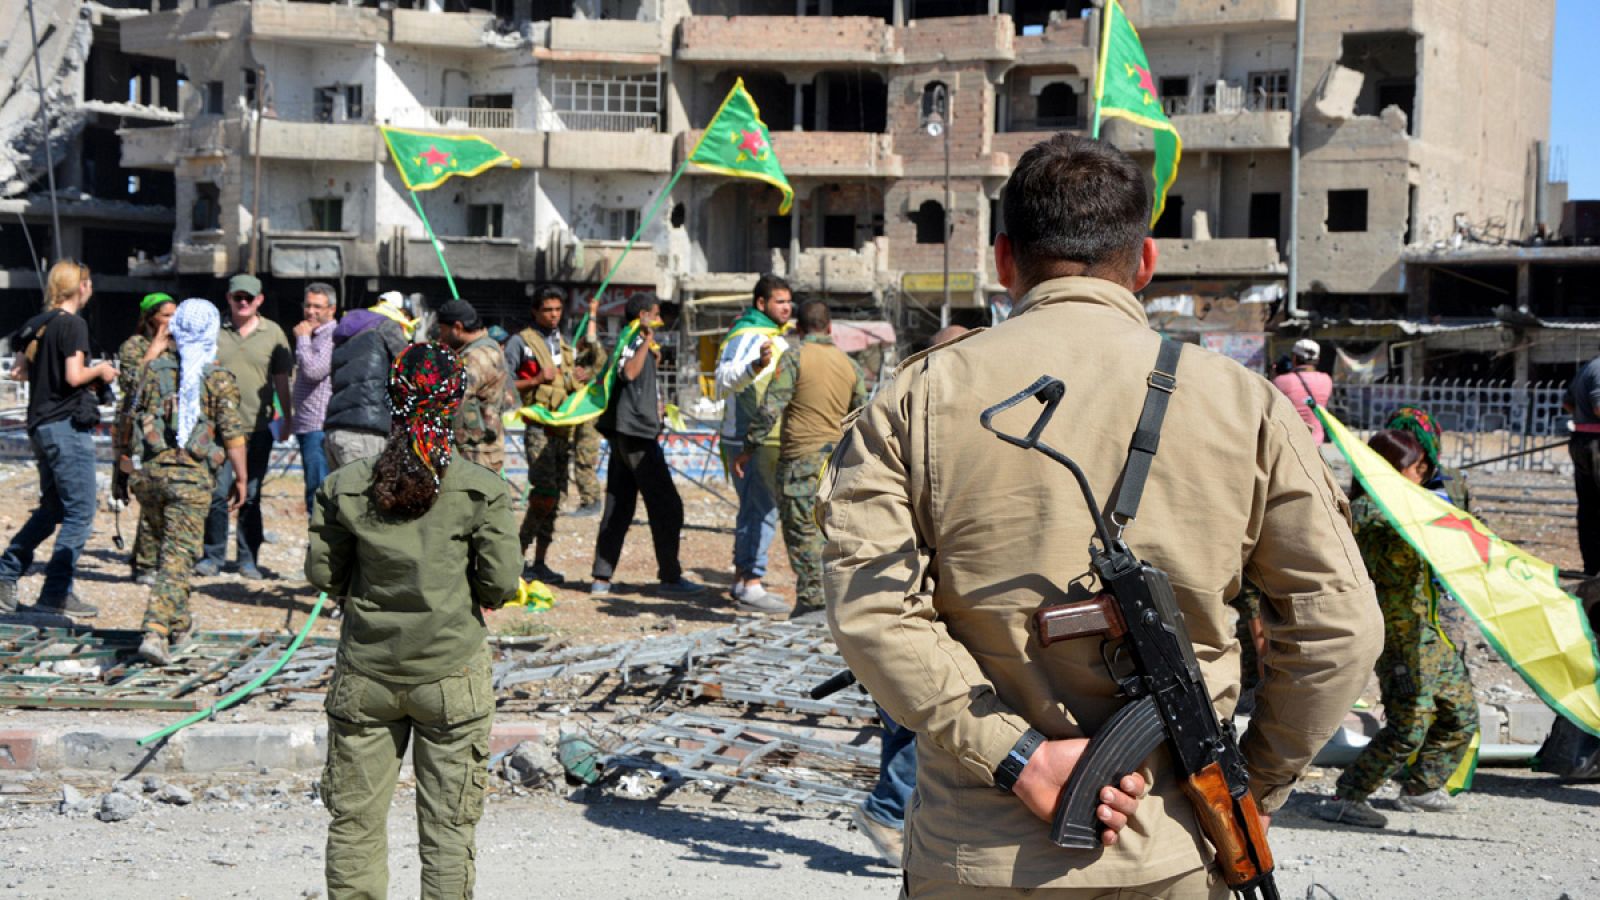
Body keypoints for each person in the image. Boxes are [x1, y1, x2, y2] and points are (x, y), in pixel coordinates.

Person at [822, 134, 1383, 897]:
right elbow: (1340, 629)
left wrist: (1016, 755)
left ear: (1002, 259)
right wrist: (1251, 784)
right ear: (1146, 261)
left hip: (978, 860)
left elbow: (872, 610)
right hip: (1177, 851)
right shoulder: (1244, 403)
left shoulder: (916, 399)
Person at [307, 343, 519, 899]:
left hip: (366, 677)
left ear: (392, 400)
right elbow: (500, 583)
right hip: (451, 675)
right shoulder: (480, 488)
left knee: (354, 825)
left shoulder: (344, 486)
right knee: (449, 830)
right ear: (454, 404)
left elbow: (326, 574)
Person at [1318, 430, 1479, 828]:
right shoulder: (1369, 512)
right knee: (1408, 728)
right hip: (1398, 642)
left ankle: (1421, 786)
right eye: (1414, 470)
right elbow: (1366, 523)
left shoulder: (1412, 505)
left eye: (1424, 471)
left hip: (1428, 634)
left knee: (1462, 715)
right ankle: (1347, 796)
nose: (1422, 478)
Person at [129, 299, 248, 665]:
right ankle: (156, 630)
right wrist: (241, 478)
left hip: (151, 476)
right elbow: (232, 434)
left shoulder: (152, 369)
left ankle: (180, 623)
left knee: (171, 553)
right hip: (190, 480)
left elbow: (129, 417)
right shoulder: (217, 377)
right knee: (178, 561)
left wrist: (123, 473)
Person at [0, 260, 118, 617]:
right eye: (90, 282)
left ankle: (5, 572)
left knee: (53, 509)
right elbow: (73, 375)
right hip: (66, 428)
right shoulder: (73, 325)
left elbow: (19, 372)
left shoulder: (36, 324)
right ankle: (55, 592)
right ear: (80, 286)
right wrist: (101, 371)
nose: (92, 288)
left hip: (39, 426)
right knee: (80, 512)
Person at [741, 299, 865, 615]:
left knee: (802, 536)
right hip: (838, 465)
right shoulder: (850, 365)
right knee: (833, 534)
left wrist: (748, 448)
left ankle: (812, 605)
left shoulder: (794, 358)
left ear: (799, 329)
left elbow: (772, 407)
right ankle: (838, 603)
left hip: (800, 461)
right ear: (830, 328)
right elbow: (861, 416)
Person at [590, 293, 704, 598]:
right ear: (643, 316)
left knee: (619, 504)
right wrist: (643, 343)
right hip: (636, 436)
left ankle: (602, 576)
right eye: (655, 314)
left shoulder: (637, 341)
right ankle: (670, 576)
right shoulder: (634, 338)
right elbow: (628, 373)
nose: (660, 320)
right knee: (668, 506)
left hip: (628, 432)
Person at [504, 288, 606, 582]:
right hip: (540, 429)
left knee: (556, 498)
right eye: (548, 310)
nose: (553, 315)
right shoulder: (521, 343)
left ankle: (539, 562)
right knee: (544, 495)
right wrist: (535, 380)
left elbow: (568, 382)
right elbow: (504, 382)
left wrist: (577, 380)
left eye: (558, 310)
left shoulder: (562, 344)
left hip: (564, 431)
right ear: (535, 311)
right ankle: (516, 557)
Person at [197, 274, 293, 580]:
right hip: (218, 429)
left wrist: (287, 417)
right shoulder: (214, 331)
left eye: (248, 298)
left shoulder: (273, 333)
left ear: (259, 300)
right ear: (228, 298)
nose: (242, 302)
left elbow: (281, 381)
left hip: (257, 428)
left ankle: (248, 558)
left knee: (250, 495)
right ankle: (212, 555)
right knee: (217, 492)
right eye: (237, 297)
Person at [713, 275, 794, 613]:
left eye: (789, 301)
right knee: (760, 510)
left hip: (762, 438)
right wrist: (756, 365)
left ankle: (743, 580)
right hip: (750, 439)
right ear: (761, 304)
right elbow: (724, 377)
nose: (787, 307)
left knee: (755, 509)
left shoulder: (773, 335)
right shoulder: (749, 336)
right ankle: (752, 583)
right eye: (779, 301)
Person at [114, 291, 177, 585]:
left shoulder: (178, 348)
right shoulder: (134, 347)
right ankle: (144, 563)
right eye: (165, 315)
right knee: (146, 494)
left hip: (167, 430)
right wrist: (154, 348)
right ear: (151, 318)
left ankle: (149, 557)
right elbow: (131, 383)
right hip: (137, 431)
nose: (171, 321)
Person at [324, 292, 413, 469]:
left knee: (340, 495)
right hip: (366, 434)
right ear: (402, 311)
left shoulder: (350, 328)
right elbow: (411, 370)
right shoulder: (387, 326)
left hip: (336, 430)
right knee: (364, 495)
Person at [435, 299, 508, 475]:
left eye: (443, 330)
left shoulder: (475, 357)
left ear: (458, 328)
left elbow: (450, 397)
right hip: (479, 451)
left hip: (475, 455)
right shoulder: (487, 348)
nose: (441, 336)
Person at [292, 282, 338, 514]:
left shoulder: (330, 337)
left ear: (332, 309)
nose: (311, 312)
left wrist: (302, 339)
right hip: (305, 423)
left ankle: (321, 546)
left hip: (318, 425)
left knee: (318, 491)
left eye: (318, 307)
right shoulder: (315, 335)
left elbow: (313, 371)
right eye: (308, 305)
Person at [1564, 355, 1600, 575]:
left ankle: (1592, 567)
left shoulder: (1589, 367)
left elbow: (1567, 403)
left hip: (1583, 441)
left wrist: (1583, 418)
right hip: (1596, 445)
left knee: (1589, 508)